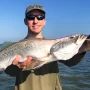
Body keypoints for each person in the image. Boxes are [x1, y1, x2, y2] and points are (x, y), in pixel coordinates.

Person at [5, 4, 88, 90]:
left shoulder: (53, 46)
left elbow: (70, 62)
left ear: (44, 21)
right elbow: (9, 71)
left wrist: (83, 49)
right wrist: (17, 67)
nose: (35, 21)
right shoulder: (16, 46)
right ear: (25, 21)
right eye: (31, 17)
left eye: (40, 17)